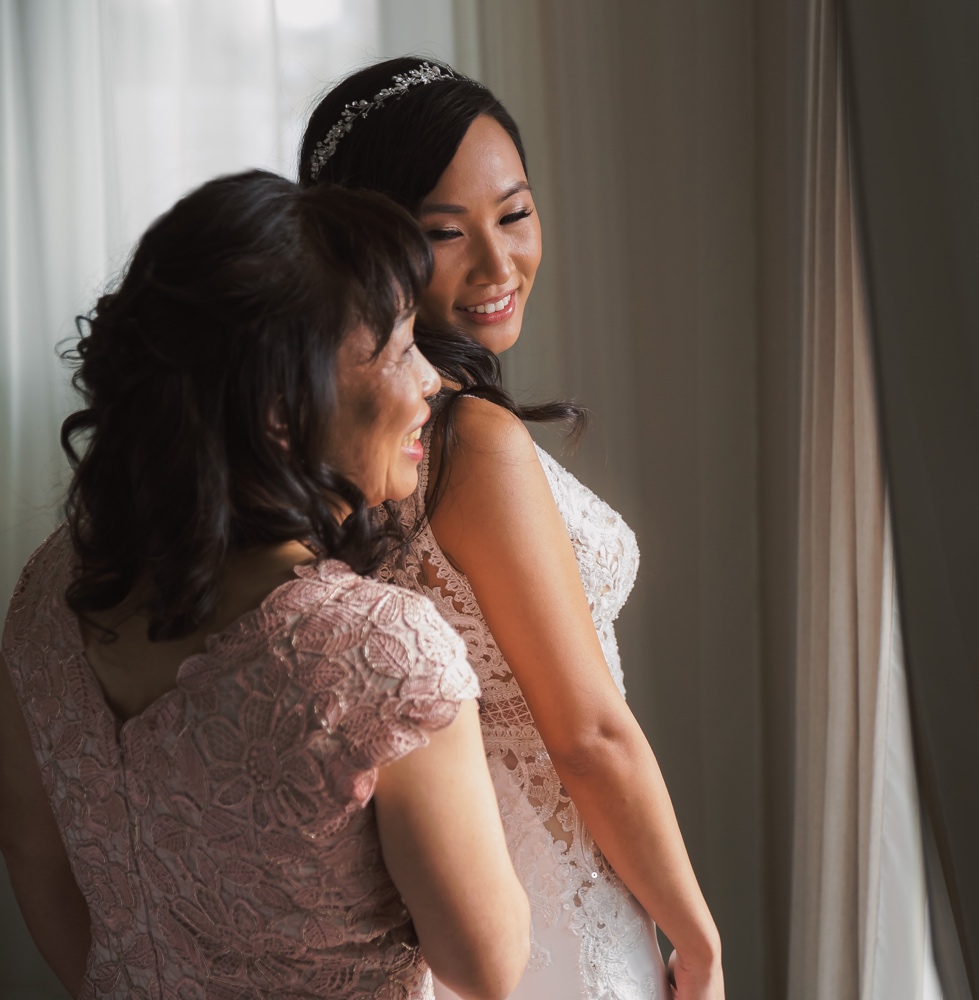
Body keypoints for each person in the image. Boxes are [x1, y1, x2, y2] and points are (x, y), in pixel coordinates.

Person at [0, 171, 531, 1000]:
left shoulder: (48, 589)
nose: (431, 377)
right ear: (283, 412)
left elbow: (33, 855)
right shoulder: (381, 652)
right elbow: (486, 965)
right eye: (398, 350)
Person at [300, 60, 721, 1000]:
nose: (498, 266)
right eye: (445, 234)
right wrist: (698, 936)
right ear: (366, 252)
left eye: (516, 214)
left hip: (449, 912)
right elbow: (588, 737)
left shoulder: (350, 442)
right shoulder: (466, 440)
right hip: (557, 908)